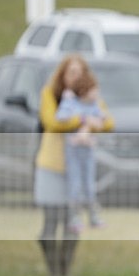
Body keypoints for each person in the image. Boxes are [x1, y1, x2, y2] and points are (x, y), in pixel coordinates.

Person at [35, 55, 114, 276]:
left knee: (72, 223)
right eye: (71, 72)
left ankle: (65, 273)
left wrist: (89, 119)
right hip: (52, 166)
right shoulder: (50, 94)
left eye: (80, 72)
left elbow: (108, 121)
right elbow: (51, 122)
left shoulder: (89, 97)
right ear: (62, 74)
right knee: (51, 220)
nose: (76, 77)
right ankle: (53, 273)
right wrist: (83, 120)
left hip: (78, 169)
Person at [55, 70, 109, 232]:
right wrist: (83, 119)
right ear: (84, 90)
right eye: (94, 90)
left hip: (88, 150)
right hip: (74, 152)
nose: (97, 93)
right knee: (75, 184)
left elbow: (103, 120)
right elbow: (61, 117)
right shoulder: (71, 104)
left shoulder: (94, 106)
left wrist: (89, 126)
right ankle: (75, 217)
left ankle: (93, 216)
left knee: (89, 185)